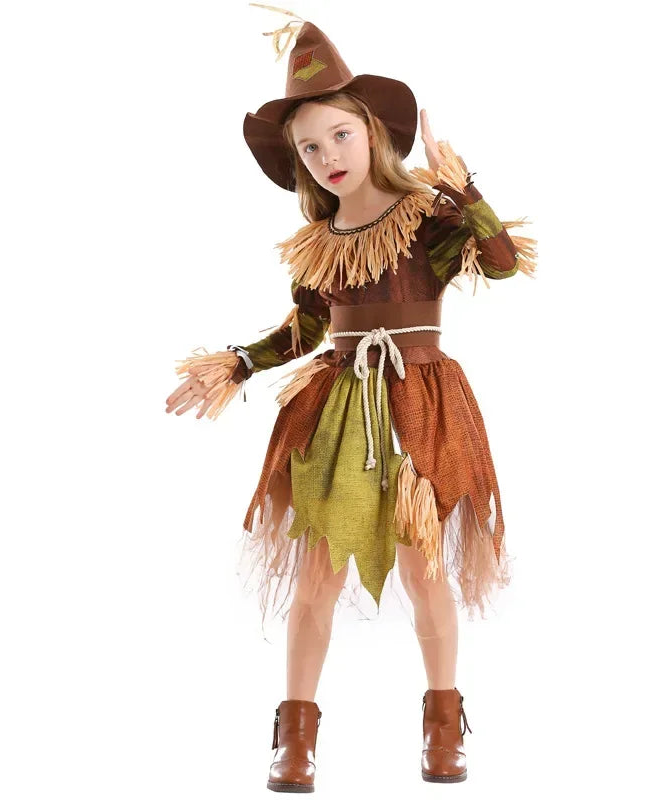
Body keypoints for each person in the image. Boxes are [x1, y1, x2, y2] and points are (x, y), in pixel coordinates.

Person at [166, 4, 537, 791]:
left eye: (339, 134)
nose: (328, 155)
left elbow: (502, 263)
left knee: (425, 572)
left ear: (372, 130)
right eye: (310, 146)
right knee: (317, 577)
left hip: (421, 409)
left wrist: (465, 189)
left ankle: (444, 727)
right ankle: (295, 737)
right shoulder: (318, 245)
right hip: (337, 418)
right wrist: (238, 363)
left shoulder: (428, 217)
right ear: (298, 161)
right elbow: (304, 331)